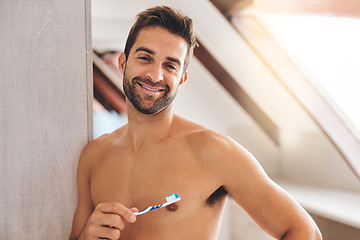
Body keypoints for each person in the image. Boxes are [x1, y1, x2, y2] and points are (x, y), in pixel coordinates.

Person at [69, 5, 322, 240]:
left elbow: (304, 230)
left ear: (181, 79)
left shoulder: (213, 151)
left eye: (170, 65)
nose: (156, 75)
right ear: (123, 63)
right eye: (145, 58)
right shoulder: (94, 157)